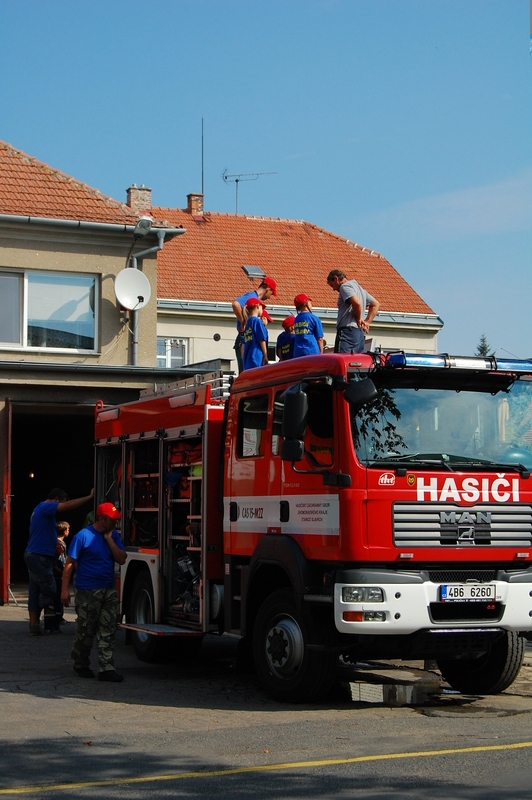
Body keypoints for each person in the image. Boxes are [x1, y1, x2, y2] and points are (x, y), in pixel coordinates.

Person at [61, 502, 127, 681]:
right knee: (85, 630)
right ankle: (80, 663)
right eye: (112, 520)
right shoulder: (83, 536)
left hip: (108, 588)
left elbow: (122, 559)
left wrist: (110, 540)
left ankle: (106, 668)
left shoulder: (113, 535)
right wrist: (64, 590)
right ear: (101, 519)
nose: (115, 522)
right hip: (87, 590)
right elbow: (69, 563)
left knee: (108, 629)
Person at [24, 487, 94, 636]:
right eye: (61, 503)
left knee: (35, 589)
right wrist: (89, 497)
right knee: (49, 589)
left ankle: (34, 625)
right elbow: (68, 506)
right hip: (39, 555)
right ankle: (38, 611)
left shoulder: (39, 509)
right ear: (56, 499)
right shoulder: (46, 506)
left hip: (34, 554)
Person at [327, 269, 380, 354]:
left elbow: (356, 303)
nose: (333, 289)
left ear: (336, 278)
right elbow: (375, 304)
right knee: (355, 360)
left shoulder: (344, 287)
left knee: (342, 358)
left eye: (332, 285)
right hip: (359, 333)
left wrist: (359, 318)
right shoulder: (359, 289)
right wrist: (367, 322)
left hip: (347, 332)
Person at [232, 277, 277, 373]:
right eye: (271, 293)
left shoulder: (252, 299)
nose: (269, 297)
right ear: (267, 289)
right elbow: (235, 304)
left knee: (246, 370)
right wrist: (244, 322)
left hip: (245, 339)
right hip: (246, 339)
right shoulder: (252, 297)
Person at [49, 521, 69, 632]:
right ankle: (57, 618)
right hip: (58, 574)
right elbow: (60, 559)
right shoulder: (59, 544)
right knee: (57, 598)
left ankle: (58, 618)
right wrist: (63, 570)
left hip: (58, 572)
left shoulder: (57, 542)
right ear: (64, 531)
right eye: (68, 529)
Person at [242, 297, 269, 370]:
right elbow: (262, 340)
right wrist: (265, 355)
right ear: (257, 306)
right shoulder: (257, 321)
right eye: (261, 307)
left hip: (248, 360)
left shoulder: (247, 324)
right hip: (257, 358)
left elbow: (243, 345)